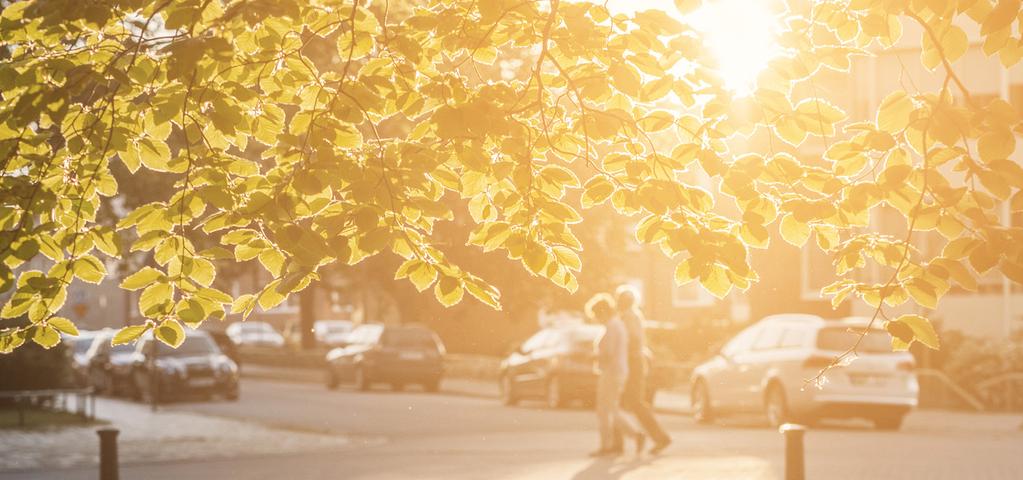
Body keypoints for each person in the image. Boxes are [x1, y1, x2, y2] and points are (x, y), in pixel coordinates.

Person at [586, 293, 644, 457]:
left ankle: (625, 438)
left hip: (612, 372)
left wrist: (592, 356)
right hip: (616, 371)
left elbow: (608, 353)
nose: (597, 319)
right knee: (609, 409)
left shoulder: (613, 326)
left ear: (603, 312)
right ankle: (628, 438)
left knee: (606, 410)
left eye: (597, 315)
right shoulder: (615, 325)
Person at [616, 285, 672, 454]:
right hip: (633, 362)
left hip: (632, 363)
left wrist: (620, 351)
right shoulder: (632, 316)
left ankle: (661, 438)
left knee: (633, 403)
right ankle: (618, 444)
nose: (618, 302)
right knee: (620, 404)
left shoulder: (629, 317)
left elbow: (632, 339)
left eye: (620, 299)